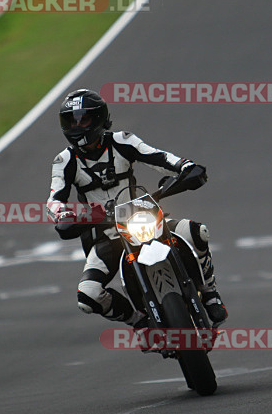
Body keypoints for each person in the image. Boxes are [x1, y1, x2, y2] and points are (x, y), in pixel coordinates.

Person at [46, 88, 227, 328]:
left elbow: (159, 157)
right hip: (106, 235)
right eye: (71, 120)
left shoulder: (123, 141)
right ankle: (139, 321)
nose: (77, 126)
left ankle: (210, 289)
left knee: (197, 231)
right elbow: (55, 199)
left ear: (99, 118)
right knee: (87, 296)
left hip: (141, 217)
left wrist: (184, 167)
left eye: (83, 119)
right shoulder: (64, 161)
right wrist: (63, 214)